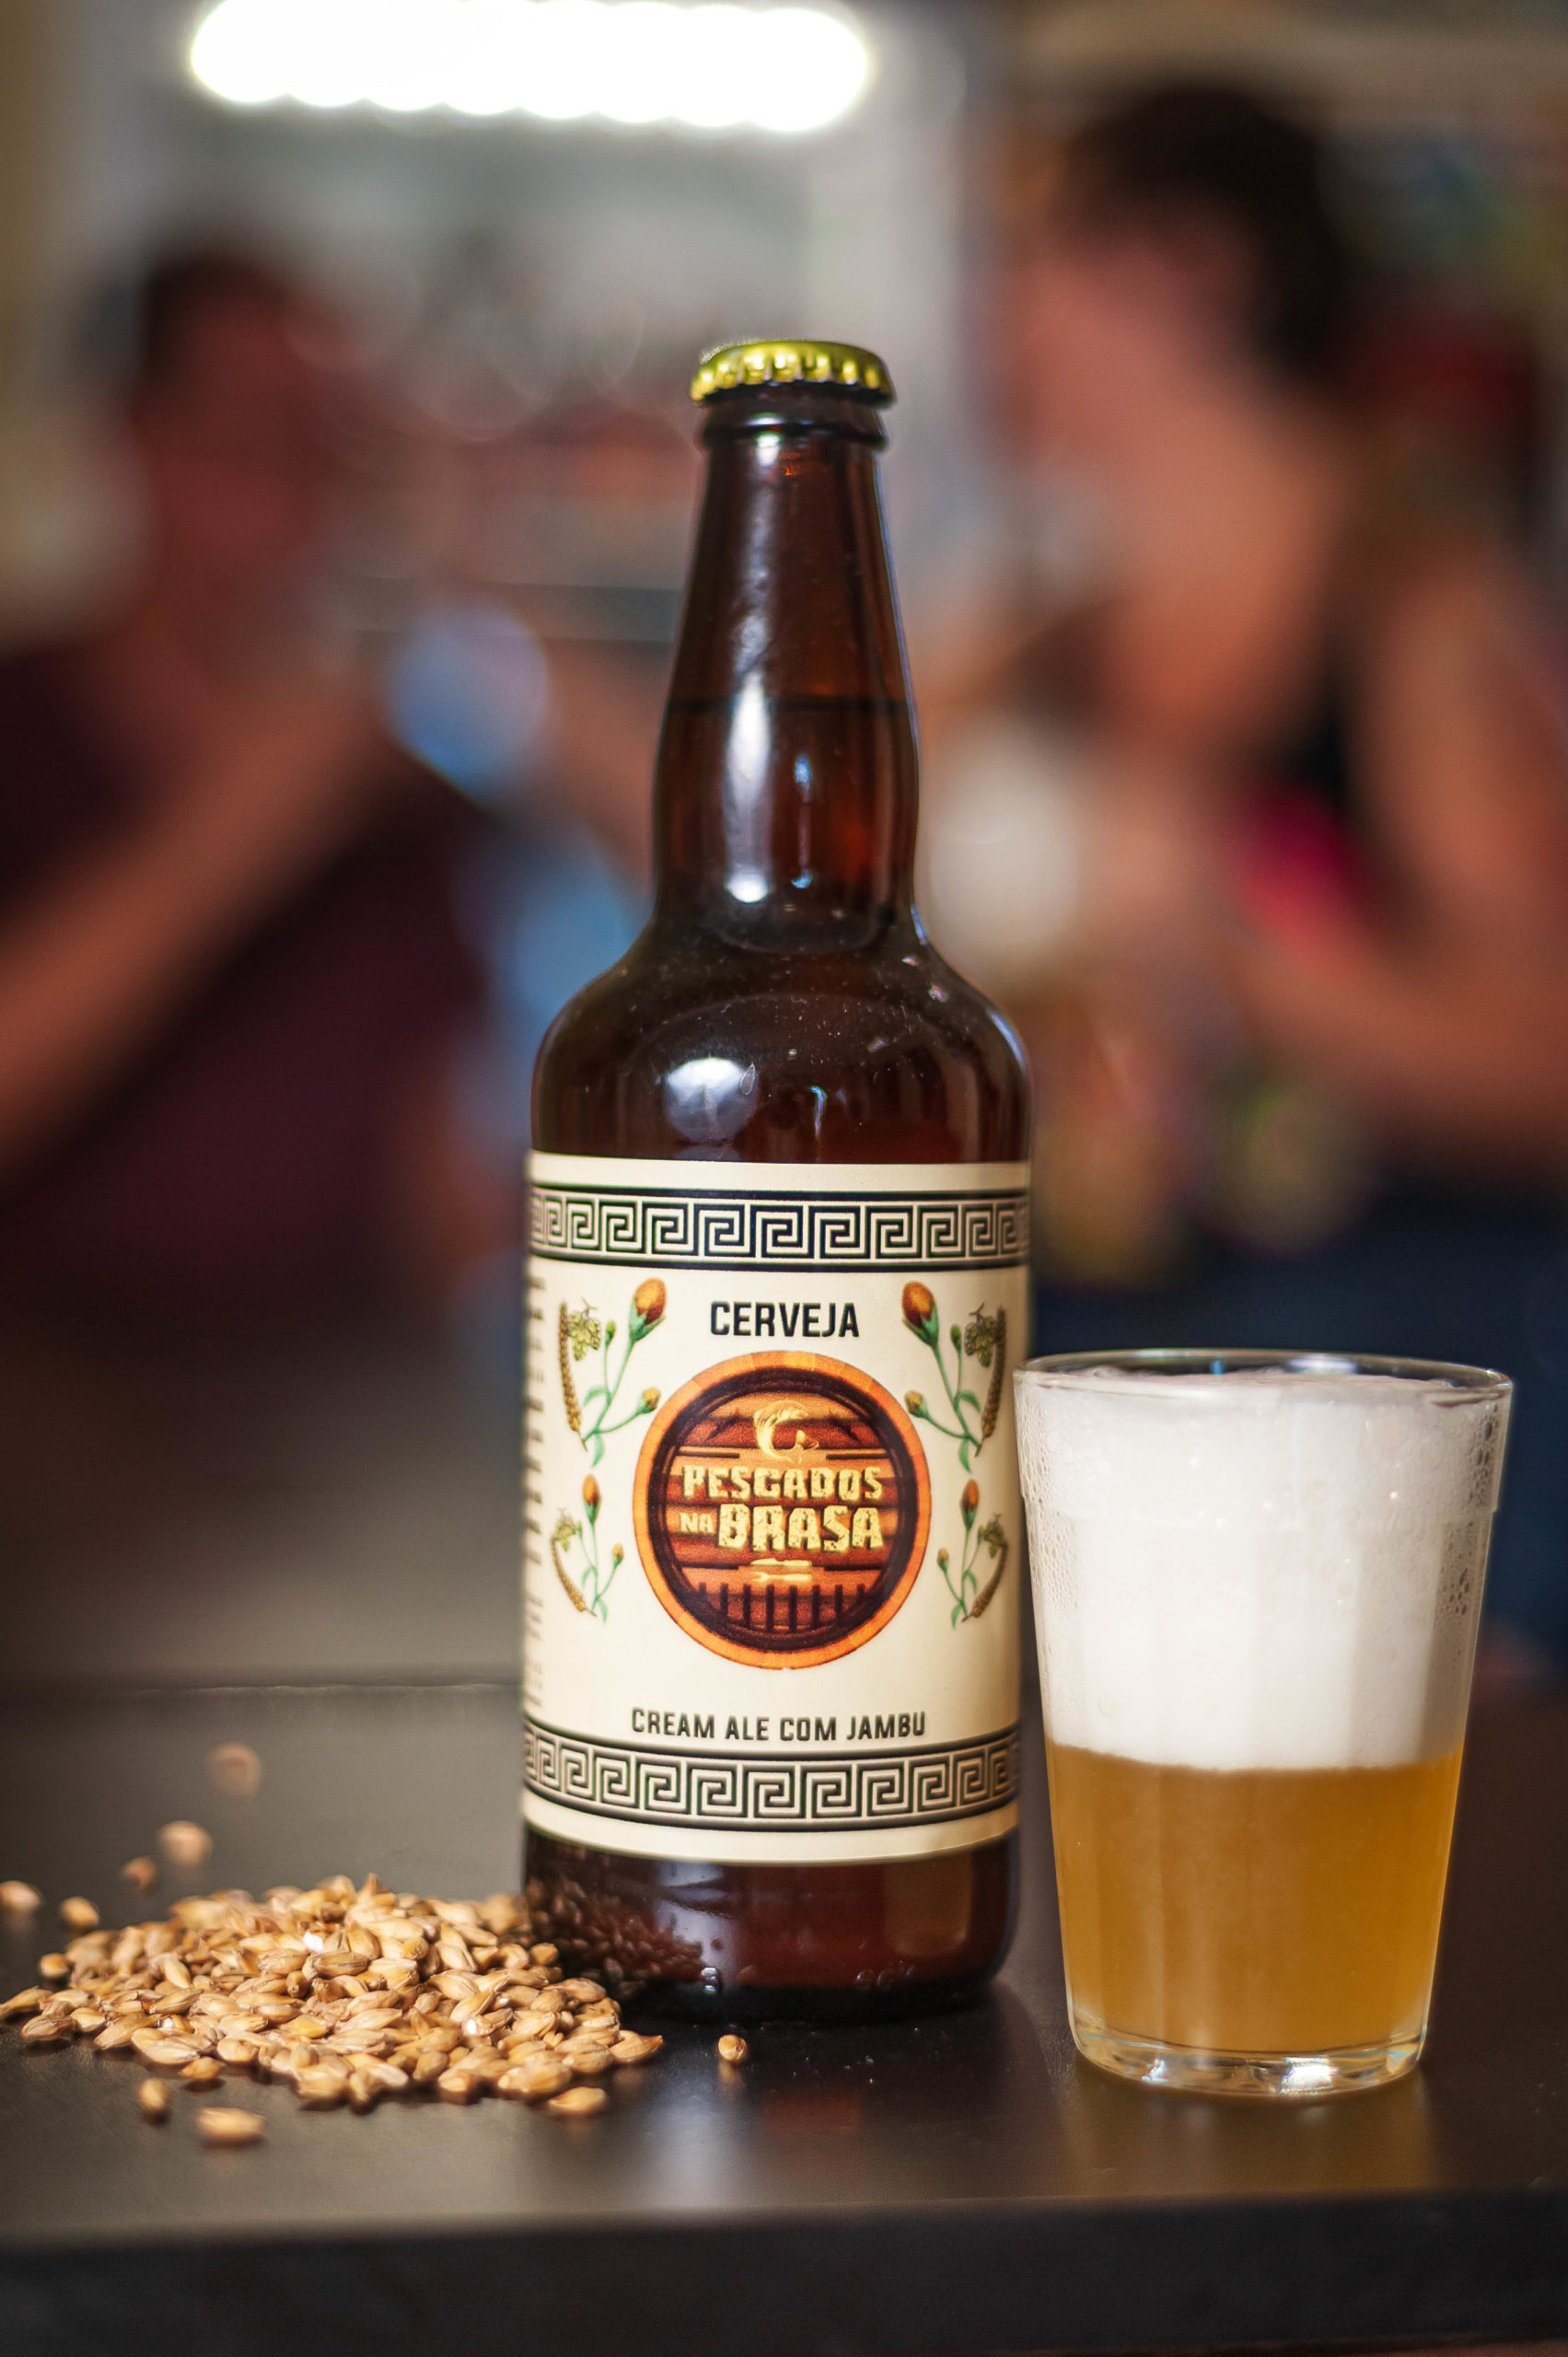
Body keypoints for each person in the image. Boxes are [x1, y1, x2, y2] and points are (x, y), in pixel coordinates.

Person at [919, 86, 1568, 1672]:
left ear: (1188, 270)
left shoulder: (1416, 616)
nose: (991, 310)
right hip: (1085, 1388)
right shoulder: (1034, 625)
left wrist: (1231, 947)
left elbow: (1542, 1060)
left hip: (1374, 1394)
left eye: (1033, 255)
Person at [0, 250, 503, 1326]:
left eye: (321, 451)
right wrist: (227, 836)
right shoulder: (24, 721)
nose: (287, 499)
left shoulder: (386, 793)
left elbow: (433, 1162)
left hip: (321, 1389)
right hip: (44, 1377)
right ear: (133, 438)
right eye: (244, 443)